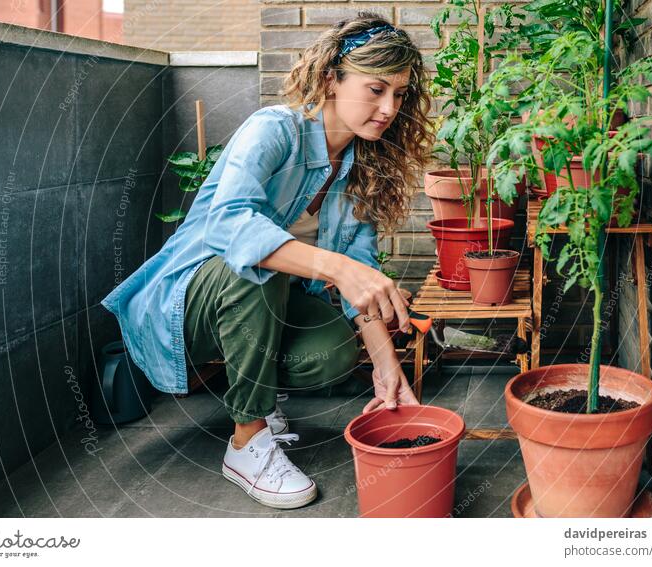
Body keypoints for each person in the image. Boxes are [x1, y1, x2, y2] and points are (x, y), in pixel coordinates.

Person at [101, 12, 434, 510]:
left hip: (261, 308)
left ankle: (258, 391)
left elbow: (359, 279)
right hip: (188, 304)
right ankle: (246, 441)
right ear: (330, 80)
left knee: (332, 350)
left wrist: (389, 372)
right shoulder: (275, 129)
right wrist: (338, 267)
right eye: (375, 89)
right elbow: (230, 226)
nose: (389, 108)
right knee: (257, 264)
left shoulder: (361, 168)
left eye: (400, 94)